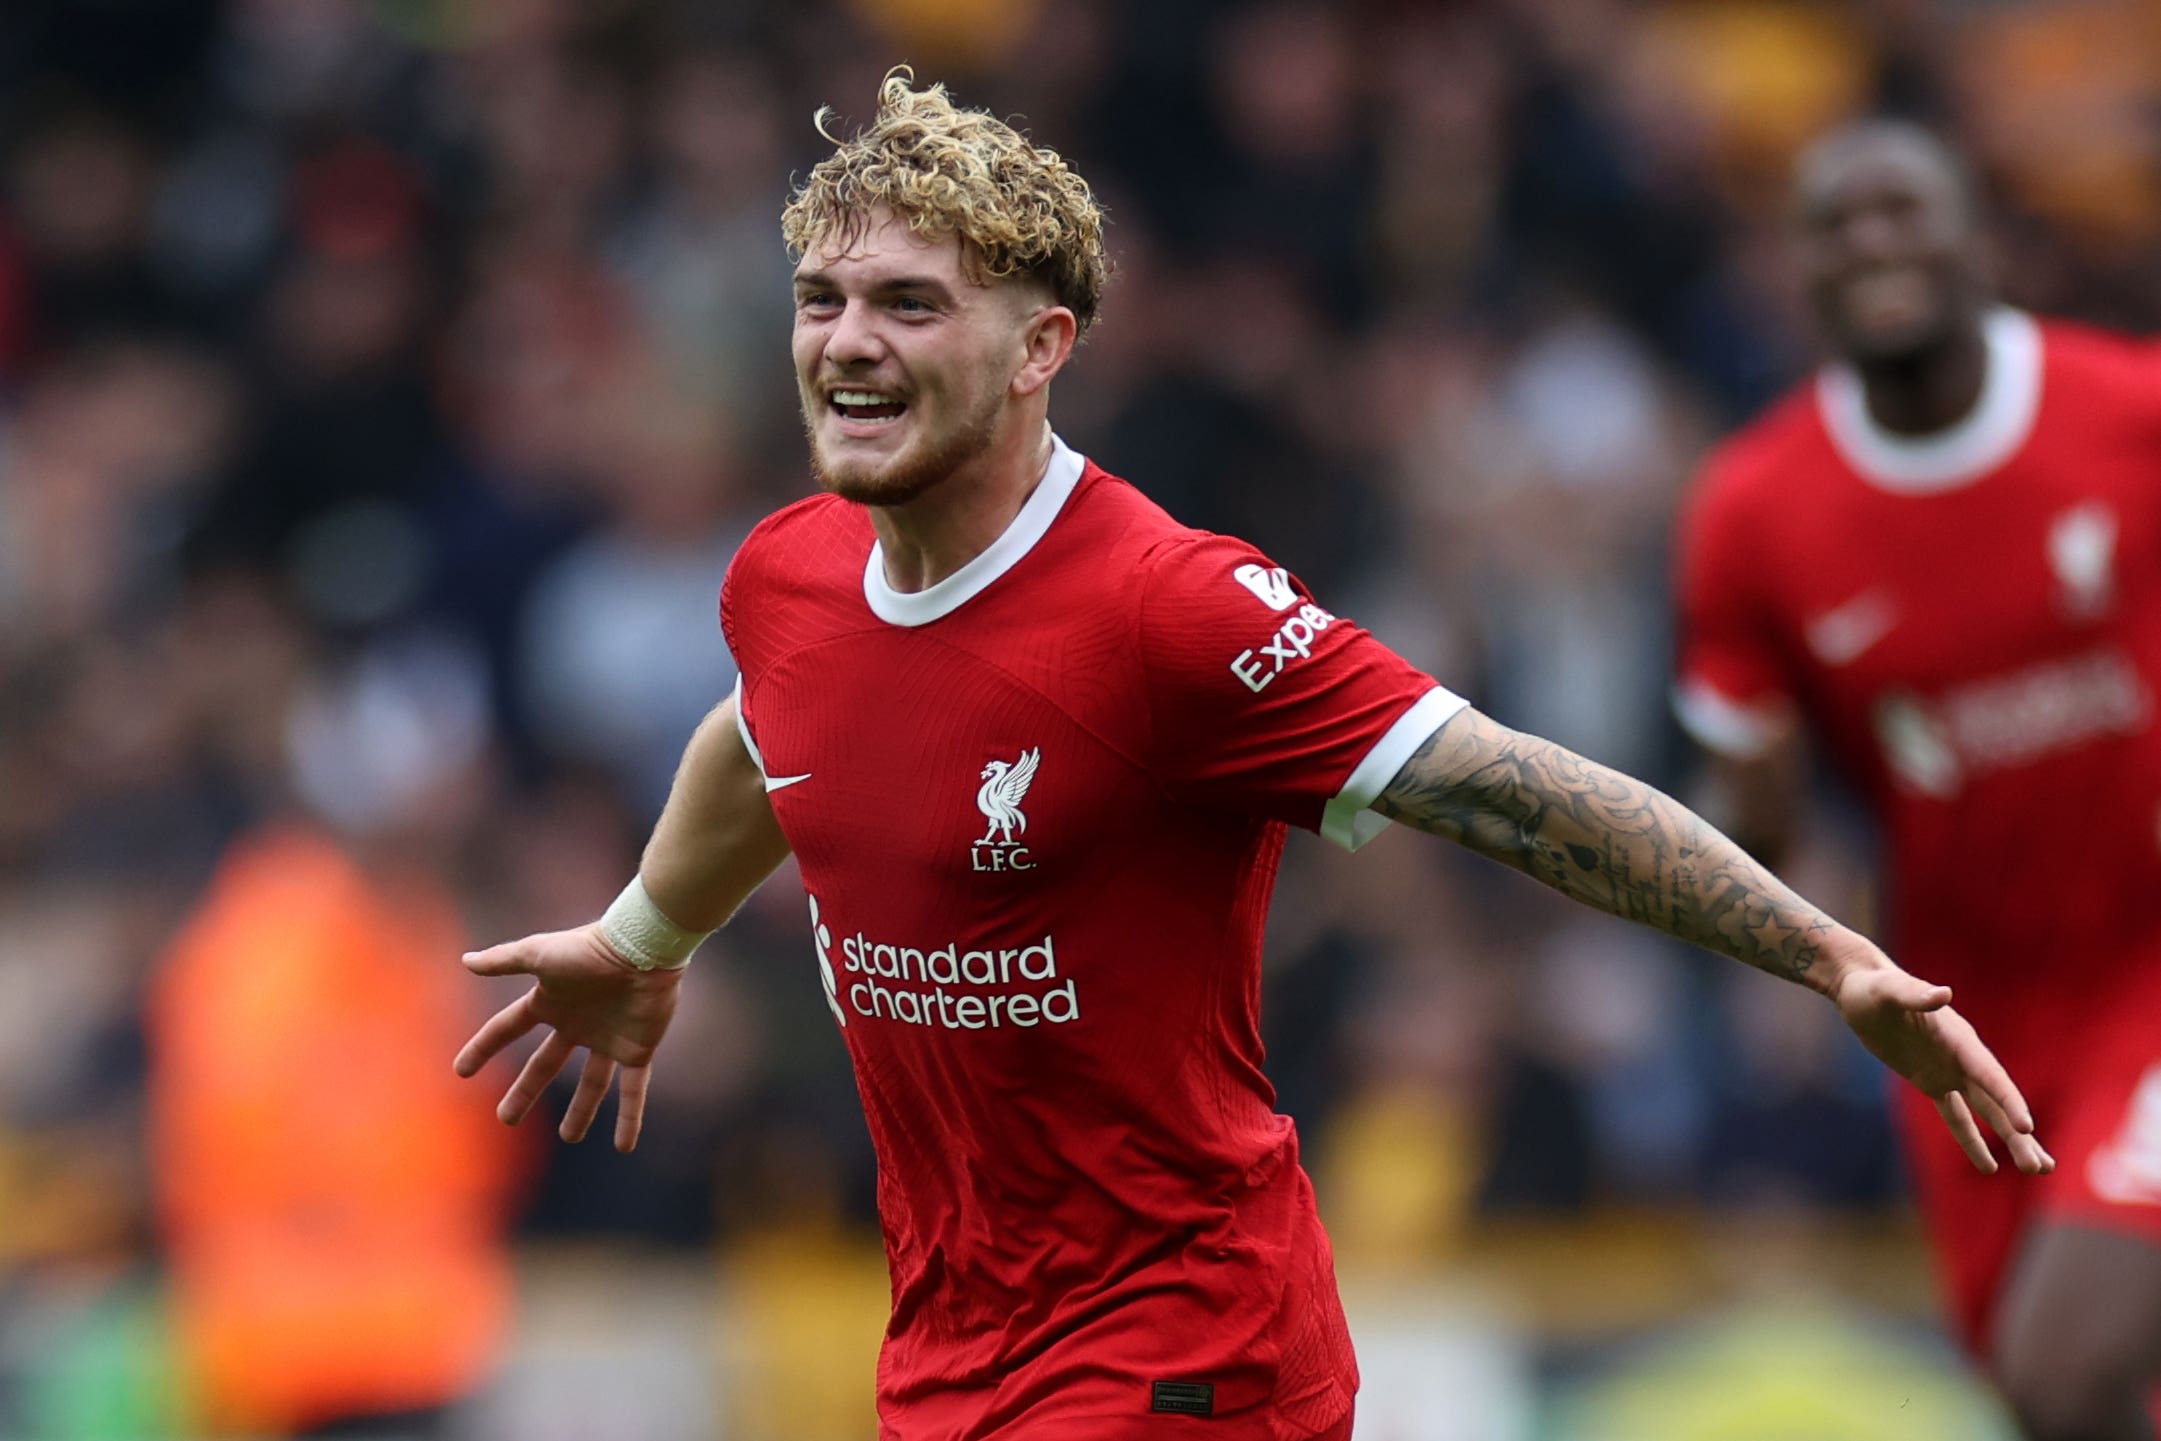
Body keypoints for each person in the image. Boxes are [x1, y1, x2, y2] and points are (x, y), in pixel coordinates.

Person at [457, 77, 2049, 1441]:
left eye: (909, 306)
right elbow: (764, 735)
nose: (847, 345)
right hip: (948, 1352)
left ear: (1039, 346)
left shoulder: (1170, 609)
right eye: (825, 301)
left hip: (1187, 1349)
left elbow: (1503, 786)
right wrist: (643, 936)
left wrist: (1824, 953)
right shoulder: (789, 576)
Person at [1674, 119, 2161, 1441]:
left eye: (1901, 211)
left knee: (2069, 1360)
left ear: (1977, 239)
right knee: (2042, 1392)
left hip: (2148, 966)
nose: (1871, 243)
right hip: (1961, 1010)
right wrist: (1761, 803)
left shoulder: (2128, 411)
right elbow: (1751, 818)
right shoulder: (1751, 510)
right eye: (1835, 225)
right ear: (1799, 272)